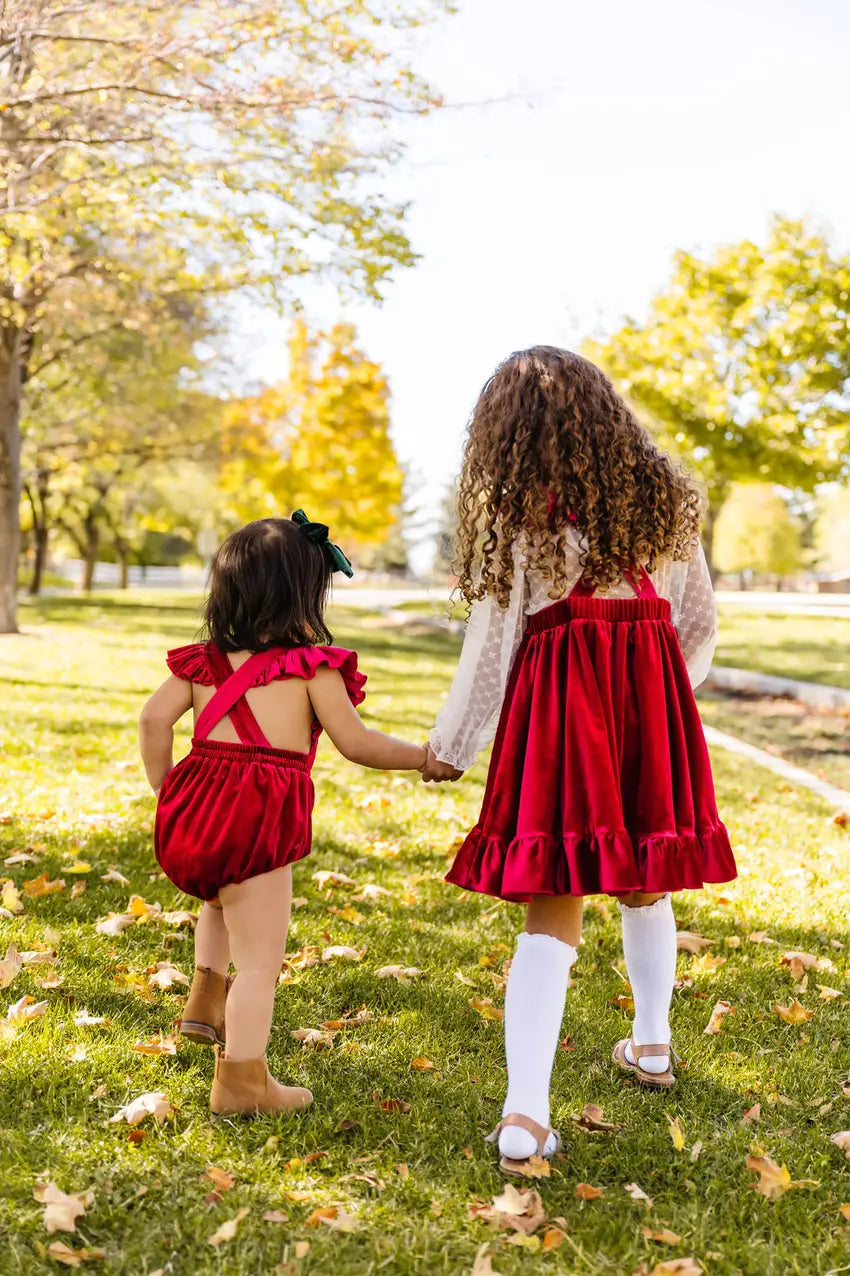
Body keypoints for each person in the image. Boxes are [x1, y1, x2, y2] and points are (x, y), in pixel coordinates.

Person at [421, 347, 735, 1174]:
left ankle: (526, 1113)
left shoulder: (523, 517)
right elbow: (695, 625)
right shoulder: (664, 501)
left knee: (552, 902)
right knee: (643, 878)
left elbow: (493, 647)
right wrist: (660, 692)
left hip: (561, 716)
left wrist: (452, 748)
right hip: (648, 703)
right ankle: (654, 1043)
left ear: (507, 438)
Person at [139, 513, 427, 1118]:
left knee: (217, 901)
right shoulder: (312, 669)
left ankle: (201, 1005)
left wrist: (169, 792)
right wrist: (424, 758)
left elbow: (151, 721)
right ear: (303, 594)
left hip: (193, 815)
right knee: (262, 962)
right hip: (258, 821)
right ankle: (243, 1084)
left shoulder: (199, 663)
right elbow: (359, 744)